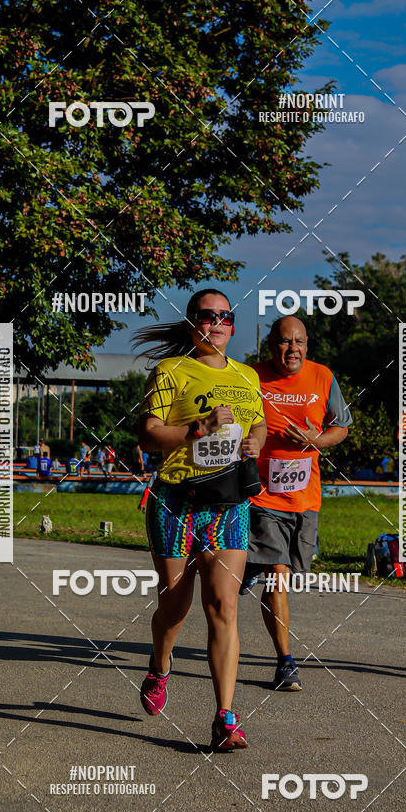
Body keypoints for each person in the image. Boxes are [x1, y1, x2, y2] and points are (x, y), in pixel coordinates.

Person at [134, 288, 266, 750]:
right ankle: (160, 664)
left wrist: (255, 442)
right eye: (206, 316)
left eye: (224, 316)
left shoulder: (247, 375)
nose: (215, 323)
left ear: (232, 325)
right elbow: (148, 436)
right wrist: (198, 429)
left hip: (230, 503)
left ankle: (225, 717)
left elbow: (259, 424)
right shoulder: (170, 371)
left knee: (224, 606)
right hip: (177, 501)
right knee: (175, 605)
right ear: (192, 324)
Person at [241, 316, 352, 691]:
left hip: (305, 498)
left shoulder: (323, 376)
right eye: (285, 342)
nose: (293, 349)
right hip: (262, 496)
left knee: (290, 573)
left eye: (299, 341)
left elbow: (342, 427)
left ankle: (247, 567)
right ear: (270, 345)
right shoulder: (251, 377)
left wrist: (316, 440)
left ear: (308, 343)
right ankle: (285, 661)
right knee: (279, 574)